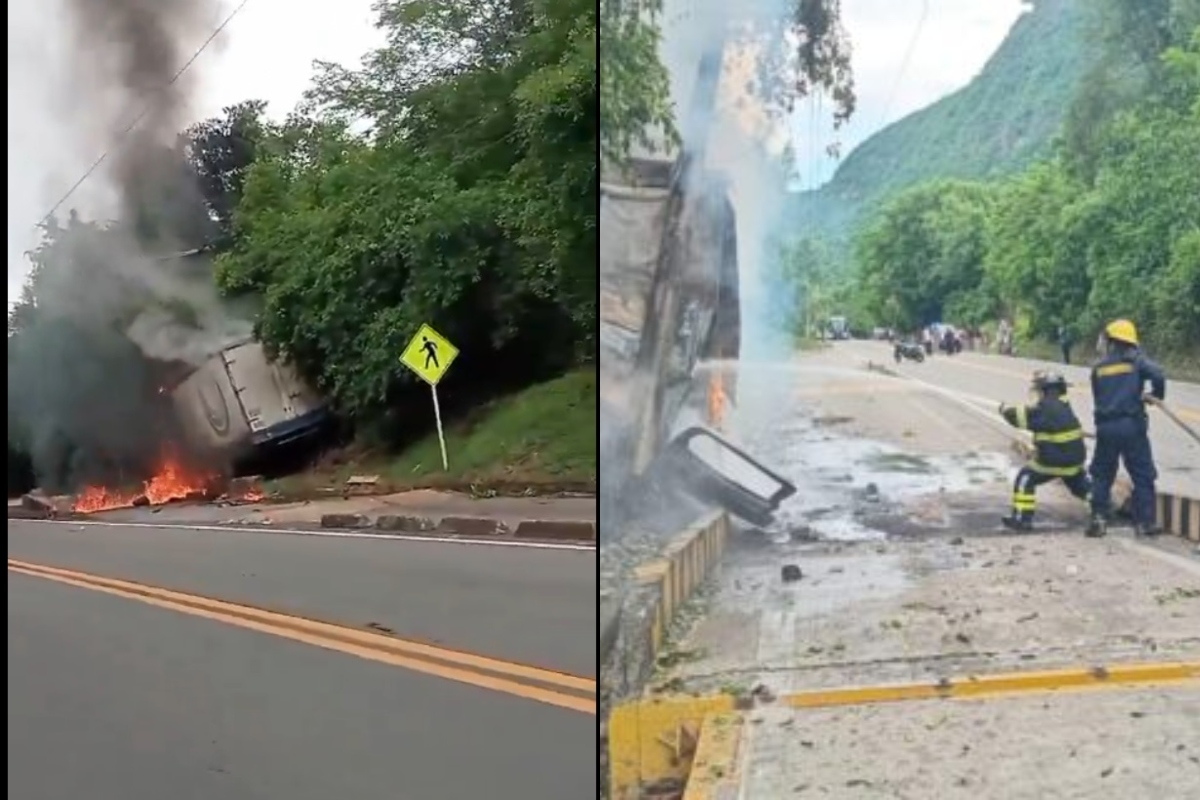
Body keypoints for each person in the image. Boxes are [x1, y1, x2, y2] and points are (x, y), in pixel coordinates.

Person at [1085, 319, 1167, 538]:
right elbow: (1158, 374)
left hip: (1106, 427)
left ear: (1111, 341)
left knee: (1102, 475)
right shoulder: (1136, 361)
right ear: (1130, 341)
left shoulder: (1098, 368)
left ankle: (1098, 520)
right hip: (1131, 427)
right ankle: (1144, 523)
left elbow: (1099, 397)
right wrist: (1156, 395)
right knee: (1142, 475)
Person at [998, 371, 1091, 532]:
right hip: (1075, 462)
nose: (1037, 392)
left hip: (1053, 460)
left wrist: (1004, 411)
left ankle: (1021, 520)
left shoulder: (1045, 407)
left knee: (1025, 478)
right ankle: (1102, 509)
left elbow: (1018, 417)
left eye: (1039, 389)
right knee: (1080, 486)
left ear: (1046, 390)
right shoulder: (1064, 405)